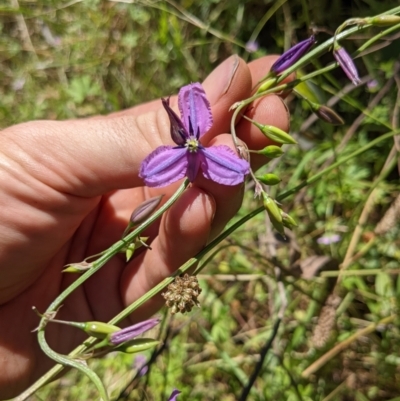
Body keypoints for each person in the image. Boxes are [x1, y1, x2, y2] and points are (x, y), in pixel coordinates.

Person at [0, 55, 291, 399]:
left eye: (188, 135)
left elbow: (228, 168)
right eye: (183, 135)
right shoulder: (173, 155)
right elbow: (154, 170)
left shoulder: (199, 154)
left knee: (201, 208)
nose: (191, 141)